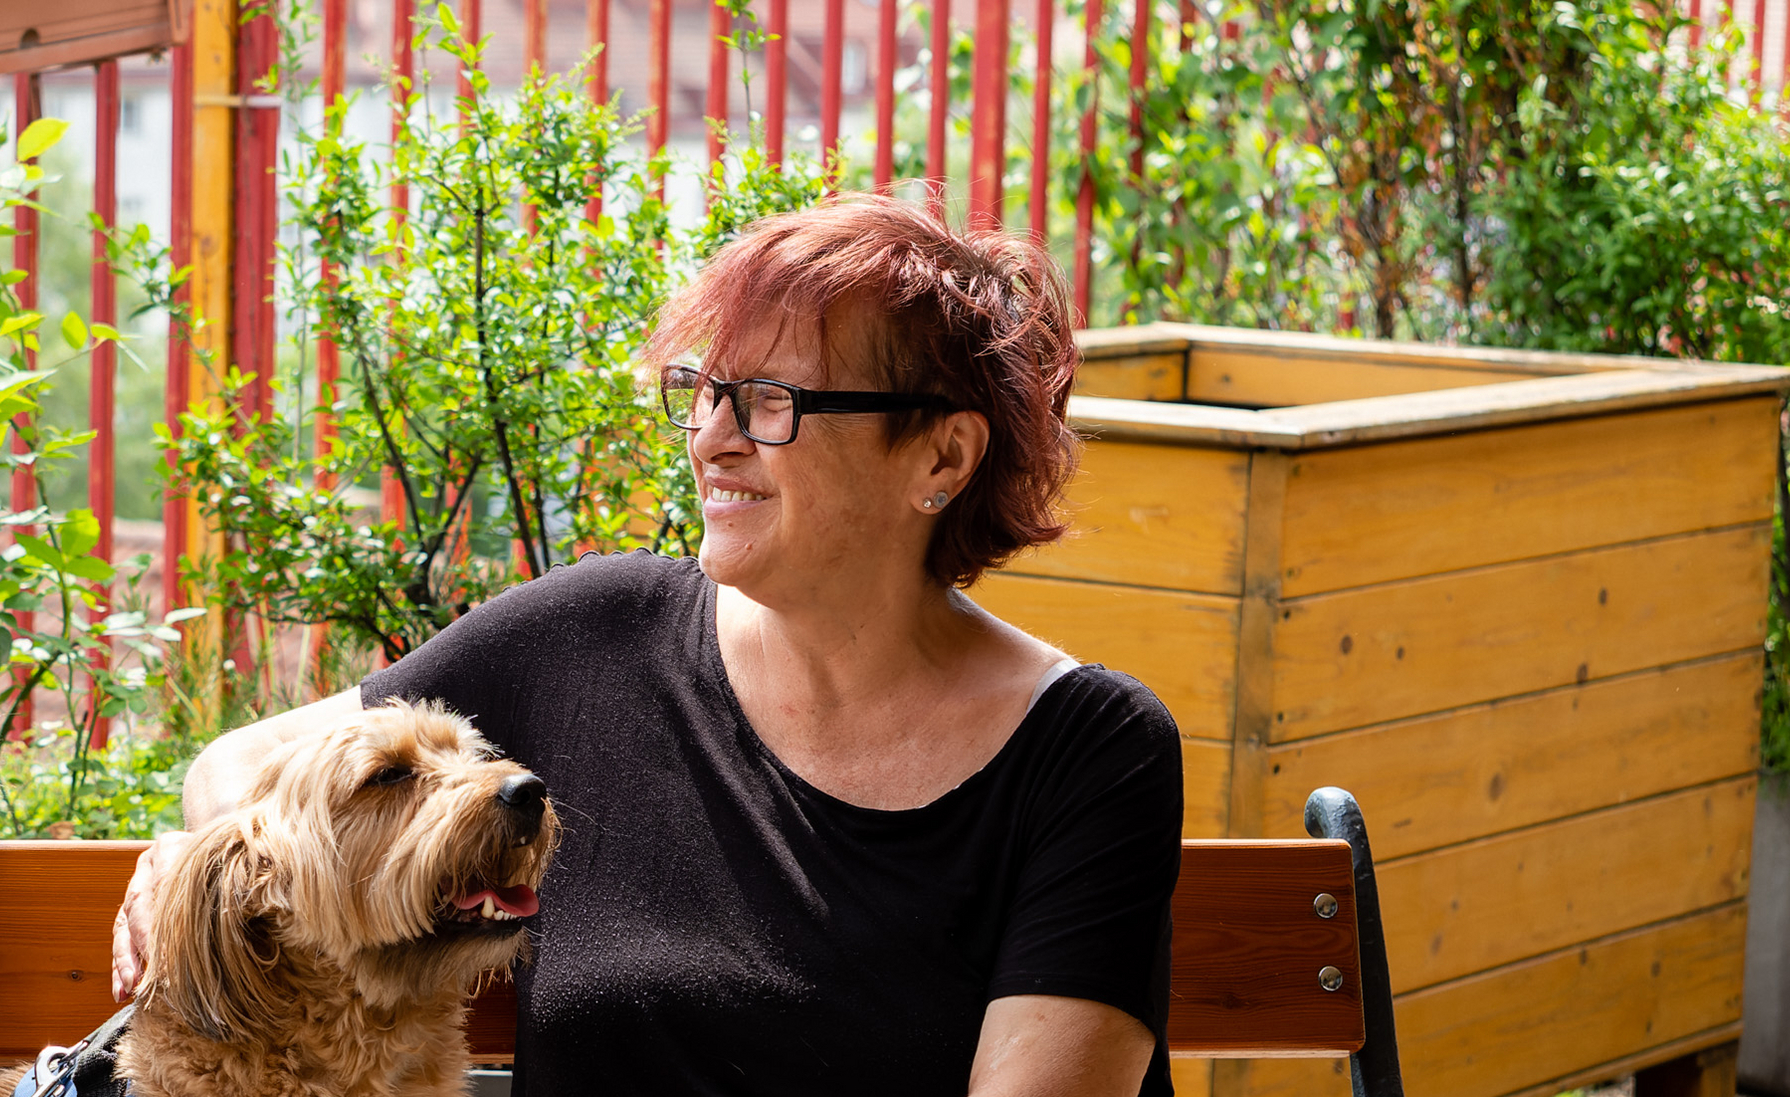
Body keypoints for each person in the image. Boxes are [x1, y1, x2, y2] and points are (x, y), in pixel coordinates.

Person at [111, 195, 1183, 1096]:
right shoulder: (593, 632)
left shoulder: (1089, 755)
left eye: (771, 400)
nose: (713, 435)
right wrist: (215, 862)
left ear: (942, 456)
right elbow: (239, 765)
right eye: (706, 391)